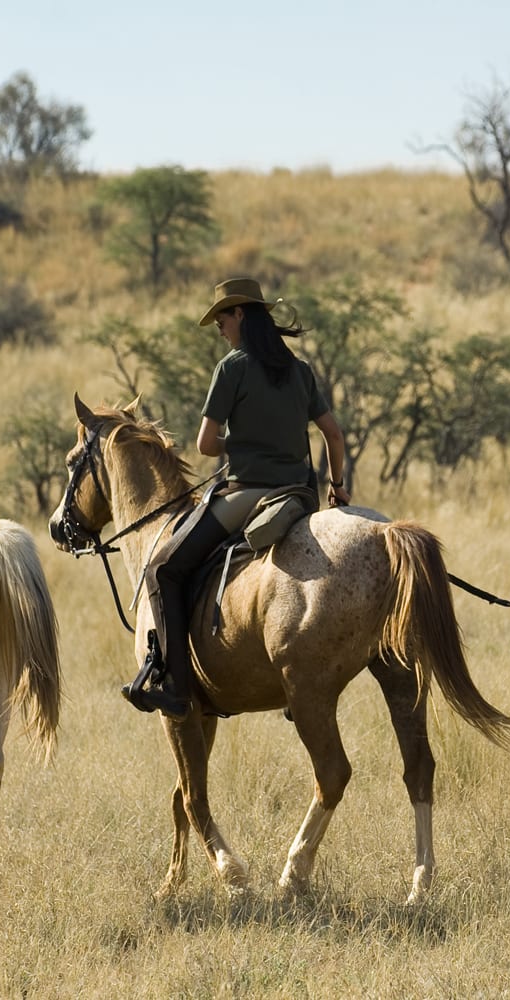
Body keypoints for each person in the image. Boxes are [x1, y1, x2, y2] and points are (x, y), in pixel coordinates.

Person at [123, 277, 351, 716]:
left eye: (222, 319)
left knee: (164, 569)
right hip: (301, 495)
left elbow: (206, 445)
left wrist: (244, 445)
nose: (219, 329)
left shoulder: (232, 367)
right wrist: (337, 486)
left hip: (249, 494)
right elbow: (334, 436)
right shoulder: (299, 371)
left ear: (241, 314)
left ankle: (174, 685)